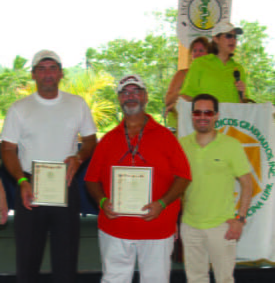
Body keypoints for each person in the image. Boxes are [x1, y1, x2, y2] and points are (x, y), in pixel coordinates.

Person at [1, 50, 97, 283]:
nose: (47, 74)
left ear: (61, 73)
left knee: (66, 258)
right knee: (27, 258)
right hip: (30, 187)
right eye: (41, 69)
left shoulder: (77, 104)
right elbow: (7, 149)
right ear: (33, 74)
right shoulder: (19, 108)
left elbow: (91, 139)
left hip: (66, 184)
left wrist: (79, 156)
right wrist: (21, 182)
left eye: (52, 68)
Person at [85, 74, 191, 283]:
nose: (130, 96)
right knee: (114, 279)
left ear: (145, 97)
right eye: (125, 92)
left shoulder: (166, 137)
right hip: (115, 228)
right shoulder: (107, 140)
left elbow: (184, 176)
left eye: (136, 91)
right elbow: (91, 179)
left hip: (157, 227)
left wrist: (162, 203)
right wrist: (102, 201)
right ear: (119, 98)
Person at [179, 93, 253, 283]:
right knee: (195, 279)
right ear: (192, 114)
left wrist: (240, 219)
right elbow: (176, 185)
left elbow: (247, 184)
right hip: (190, 226)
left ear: (216, 115)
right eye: (197, 112)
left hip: (222, 227)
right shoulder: (181, 145)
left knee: (224, 280)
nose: (202, 116)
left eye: (208, 112)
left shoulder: (231, 145)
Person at [181, 22, 247, 103]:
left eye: (235, 37)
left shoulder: (239, 69)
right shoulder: (200, 63)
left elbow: (244, 105)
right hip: (207, 115)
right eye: (228, 36)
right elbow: (187, 95)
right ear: (216, 39)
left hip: (231, 115)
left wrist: (242, 94)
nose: (233, 40)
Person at [165, 36, 209, 112]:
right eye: (194, 51)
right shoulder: (181, 74)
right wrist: (185, 91)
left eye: (201, 50)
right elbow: (168, 100)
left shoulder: (213, 75)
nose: (197, 53)